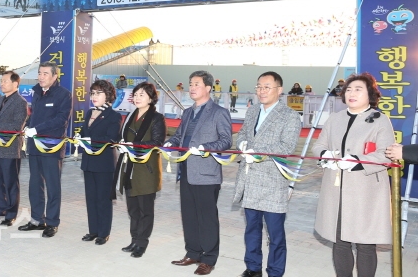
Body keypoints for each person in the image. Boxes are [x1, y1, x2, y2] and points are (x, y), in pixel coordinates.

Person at [312, 73, 394, 277]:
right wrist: (325, 154)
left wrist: (357, 161)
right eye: (348, 89)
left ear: (370, 95)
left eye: (358, 89)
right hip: (336, 190)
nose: (351, 93)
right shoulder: (335, 119)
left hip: (366, 191)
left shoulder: (380, 120)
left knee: (365, 244)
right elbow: (319, 145)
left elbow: (386, 154)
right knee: (339, 241)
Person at [233, 71, 301, 277]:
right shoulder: (253, 111)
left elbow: (286, 146)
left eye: (266, 87)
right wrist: (242, 144)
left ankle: (275, 272)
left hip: (272, 182)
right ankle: (253, 268)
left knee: (275, 234)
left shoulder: (289, 115)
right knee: (251, 230)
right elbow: (242, 133)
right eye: (259, 87)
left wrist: (257, 151)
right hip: (250, 179)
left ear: (279, 90)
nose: (261, 91)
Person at [165, 70, 232, 276]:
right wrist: (170, 143)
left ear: (208, 88)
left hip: (206, 174)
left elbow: (226, 140)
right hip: (186, 170)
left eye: (196, 84)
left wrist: (206, 148)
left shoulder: (219, 112)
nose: (192, 88)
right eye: (191, 84)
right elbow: (179, 136)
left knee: (207, 217)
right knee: (189, 215)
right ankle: (193, 253)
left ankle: (208, 259)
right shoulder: (187, 112)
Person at [18, 61, 72, 238]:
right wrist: (27, 126)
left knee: (52, 186)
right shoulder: (37, 93)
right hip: (35, 146)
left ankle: (52, 222)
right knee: (35, 185)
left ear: (55, 76)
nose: (41, 77)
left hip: (51, 146)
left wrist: (37, 129)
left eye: (45, 74)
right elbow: (34, 116)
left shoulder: (63, 95)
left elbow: (61, 120)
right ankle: (36, 219)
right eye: (39, 73)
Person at [115, 82, 166, 258]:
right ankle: (134, 239)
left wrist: (134, 145)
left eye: (142, 95)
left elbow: (157, 142)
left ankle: (142, 243)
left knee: (145, 210)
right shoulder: (130, 116)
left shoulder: (156, 118)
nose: (137, 98)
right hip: (129, 167)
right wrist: (121, 143)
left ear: (151, 98)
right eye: (135, 94)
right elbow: (122, 136)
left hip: (146, 169)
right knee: (133, 209)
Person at [0, 71, 28, 227]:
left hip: (10, 148)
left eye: (5, 81)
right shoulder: (1, 99)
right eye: (1, 81)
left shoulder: (20, 102)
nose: (2, 84)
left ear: (15, 84)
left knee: (10, 183)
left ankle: (11, 214)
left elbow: (17, 125)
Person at [80, 80, 122, 245]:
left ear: (108, 95)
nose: (94, 96)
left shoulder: (114, 115)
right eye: (92, 93)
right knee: (91, 198)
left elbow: (111, 137)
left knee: (103, 199)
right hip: (88, 161)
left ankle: (104, 233)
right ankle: (93, 230)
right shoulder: (90, 112)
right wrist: (79, 137)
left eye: (98, 93)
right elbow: (84, 131)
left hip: (104, 163)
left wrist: (90, 140)